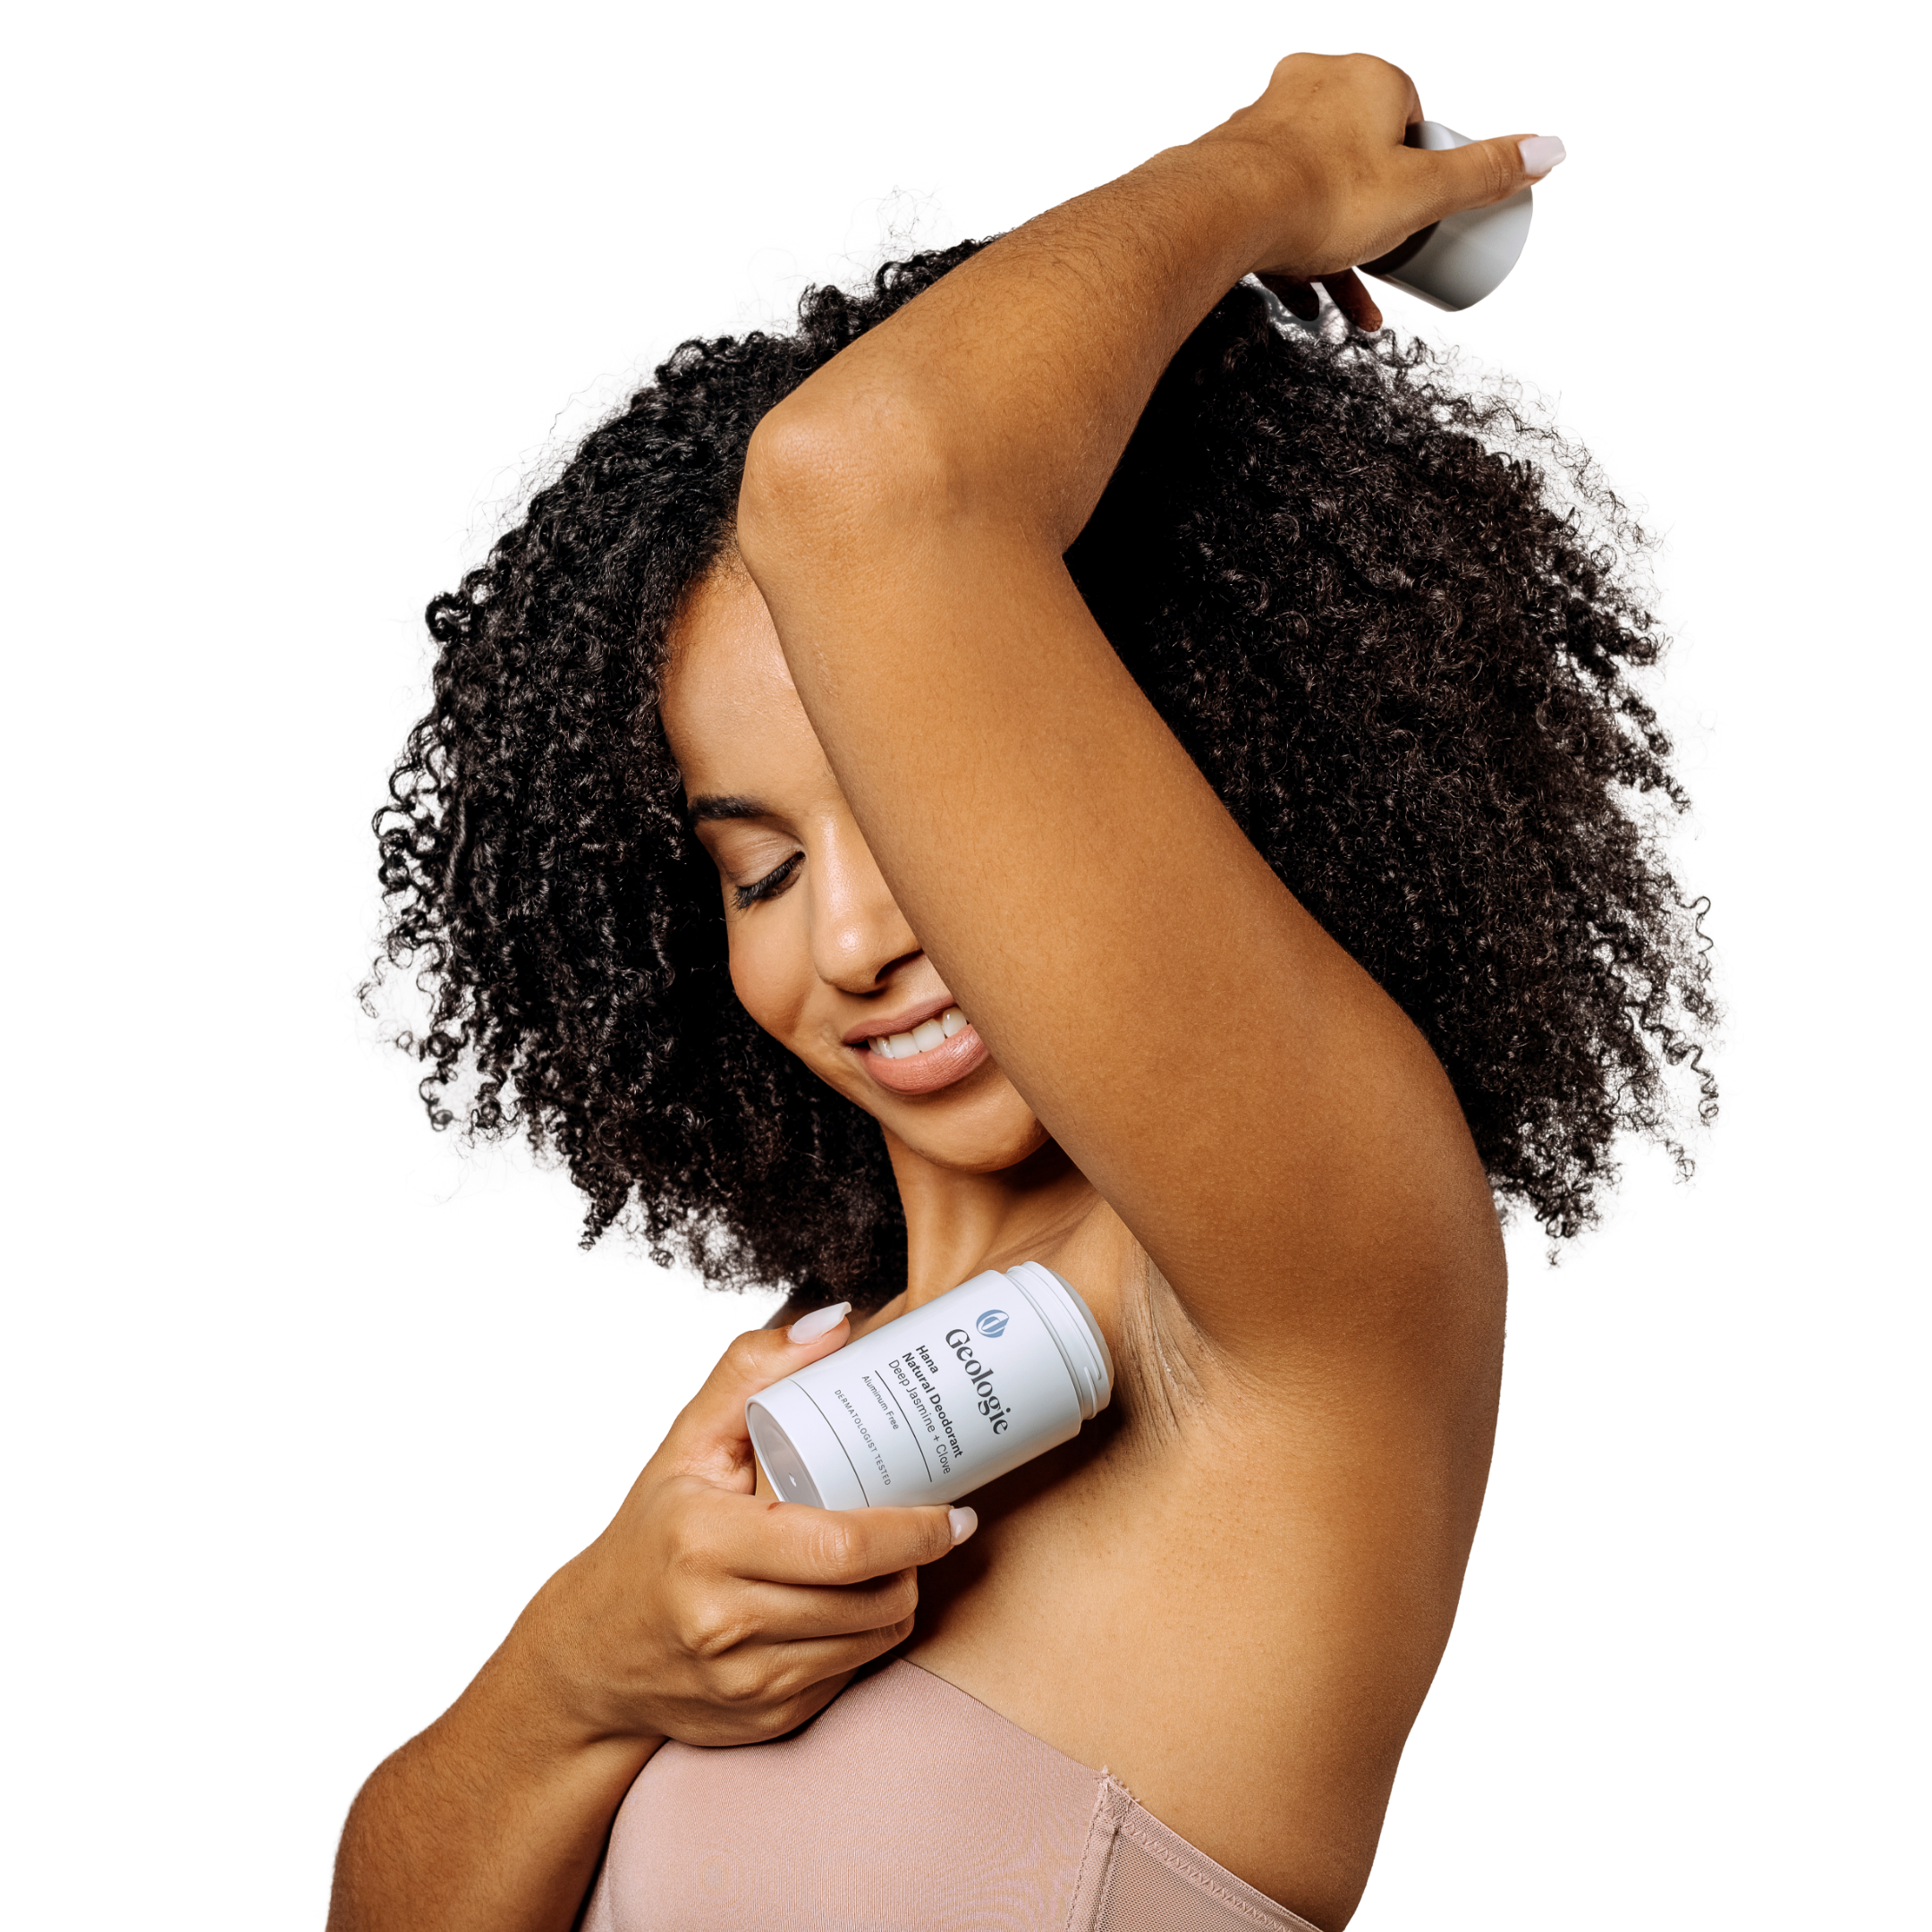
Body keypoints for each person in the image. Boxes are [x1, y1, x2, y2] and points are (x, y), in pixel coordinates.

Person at [329, 51, 1734, 1932]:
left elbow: (871, 486)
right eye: (759, 863)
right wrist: (575, 1677)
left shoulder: (1315, 1280)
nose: (849, 942)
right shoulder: (805, 1408)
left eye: (924, 819)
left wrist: (1260, 175)